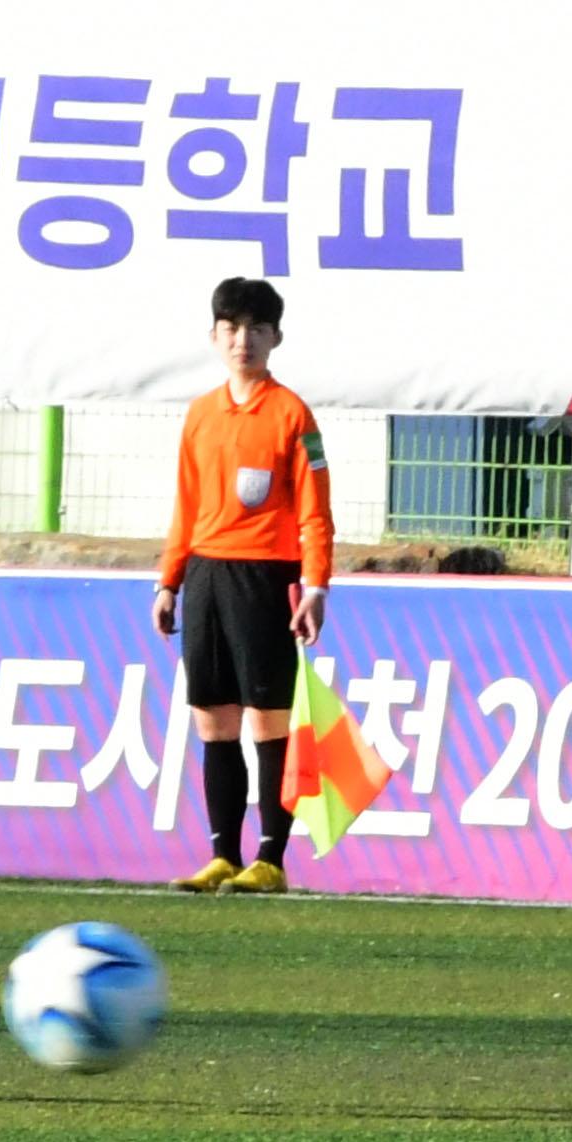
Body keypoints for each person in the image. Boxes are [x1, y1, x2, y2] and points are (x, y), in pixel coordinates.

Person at [161, 275, 334, 895]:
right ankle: (220, 856)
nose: (244, 341)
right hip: (206, 574)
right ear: (214, 336)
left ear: (275, 337)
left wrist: (315, 585)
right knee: (213, 720)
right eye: (232, 328)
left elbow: (316, 509)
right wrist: (170, 581)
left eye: (256, 329)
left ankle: (271, 859)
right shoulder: (201, 414)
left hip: (266, 577)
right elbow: (185, 504)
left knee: (269, 720)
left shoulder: (293, 414)